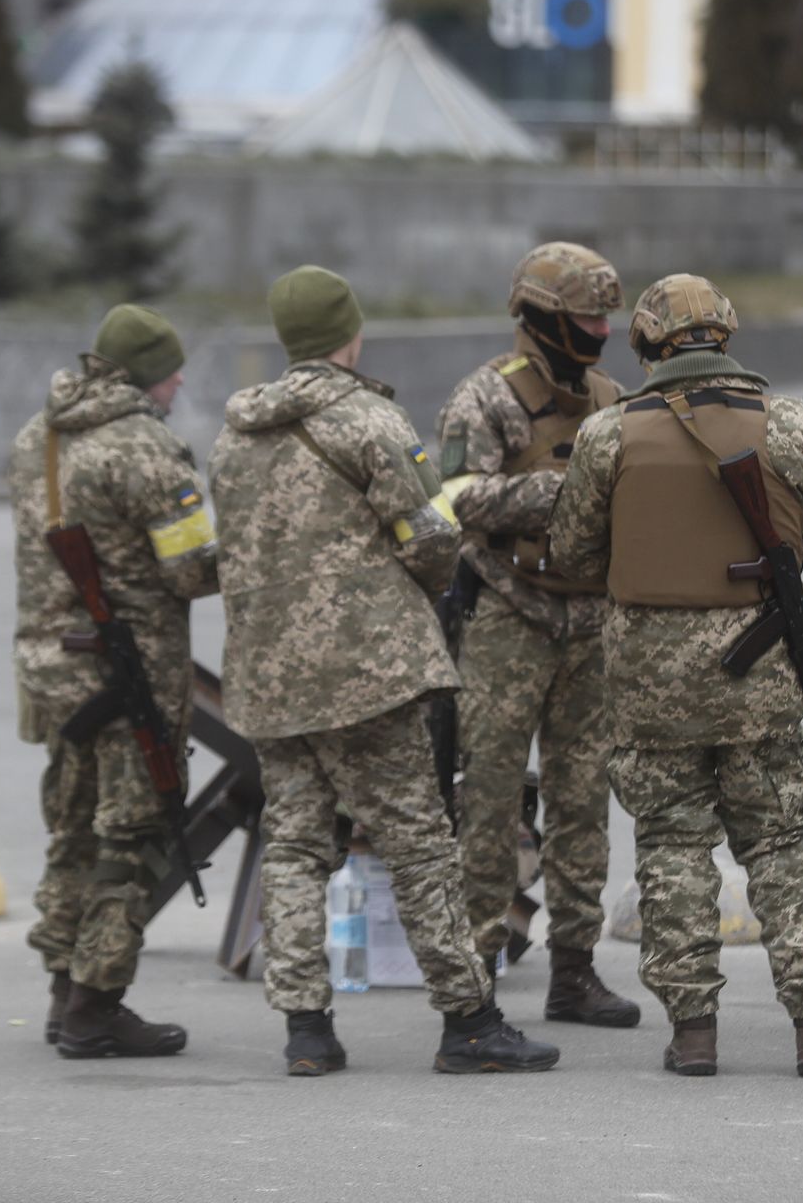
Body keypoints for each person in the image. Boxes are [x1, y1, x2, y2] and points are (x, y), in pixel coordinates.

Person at [206, 265, 560, 1077]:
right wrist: (416, 592)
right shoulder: (371, 421)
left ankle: (306, 1029)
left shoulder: (234, 436)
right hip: (369, 672)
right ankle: (468, 1020)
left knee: (292, 845)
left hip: (270, 676)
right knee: (419, 844)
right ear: (349, 333)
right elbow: (433, 536)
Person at [547, 273, 803, 1079]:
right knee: (783, 842)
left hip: (650, 685)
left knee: (671, 846)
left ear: (648, 344)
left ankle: (693, 1033)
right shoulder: (789, 423)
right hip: (759, 674)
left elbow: (574, 554)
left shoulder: (606, 435)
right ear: (725, 335)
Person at [433, 242, 641, 1029]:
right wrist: (561, 490)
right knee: (486, 802)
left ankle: (574, 971)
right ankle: (475, 977)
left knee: (583, 802)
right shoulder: (482, 398)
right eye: (588, 317)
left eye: (605, 317)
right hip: (507, 622)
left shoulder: (609, 396)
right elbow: (454, 498)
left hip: (589, 627)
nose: (601, 331)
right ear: (543, 318)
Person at [7, 304, 219, 1059]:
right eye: (170, 369)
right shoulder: (147, 449)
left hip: (53, 673)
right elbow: (191, 572)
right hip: (128, 679)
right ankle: (96, 1008)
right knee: (131, 838)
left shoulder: (40, 437)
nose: (180, 380)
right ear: (141, 377)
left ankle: (64, 993)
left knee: (70, 830)